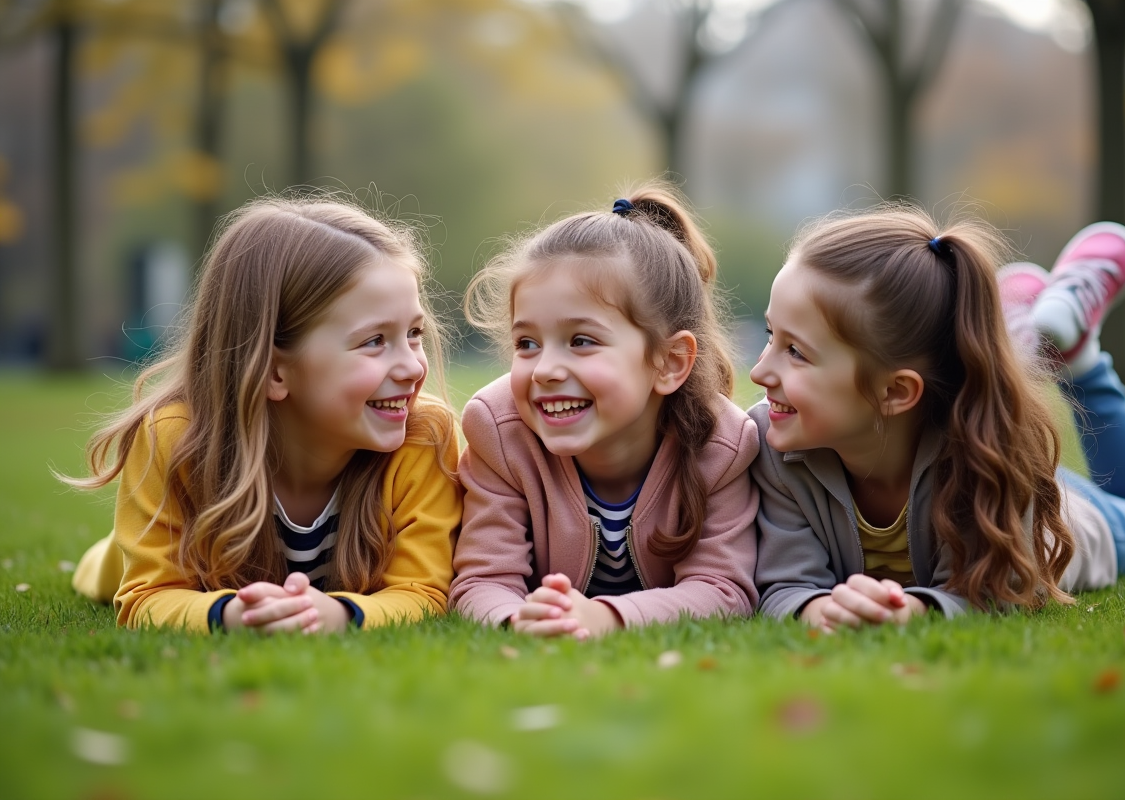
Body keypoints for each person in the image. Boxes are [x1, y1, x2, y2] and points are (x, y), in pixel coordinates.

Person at [749, 207, 1125, 630]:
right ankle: (1018, 331)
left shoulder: (981, 461)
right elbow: (784, 582)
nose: (759, 371)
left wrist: (912, 611)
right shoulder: (775, 446)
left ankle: (1080, 357)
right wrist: (819, 609)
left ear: (895, 392)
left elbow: (998, 588)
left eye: (796, 352)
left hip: (1056, 511)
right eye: (771, 335)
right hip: (994, 457)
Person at [67, 196, 462, 634]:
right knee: (101, 570)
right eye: (374, 341)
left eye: (414, 333)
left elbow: (423, 591)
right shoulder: (175, 438)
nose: (412, 367)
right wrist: (231, 615)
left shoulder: (423, 437)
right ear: (274, 370)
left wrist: (339, 615)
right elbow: (147, 595)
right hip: (116, 563)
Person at [449, 185, 760, 638]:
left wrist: (608, 617)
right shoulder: (500, 432)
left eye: (581, 341)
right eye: (527, 343)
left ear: (670, 362)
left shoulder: (722, 444)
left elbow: (722, 589)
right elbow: (483, 580)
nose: (546, 370)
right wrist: (521, 620)